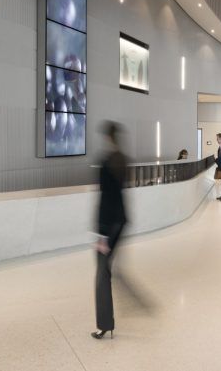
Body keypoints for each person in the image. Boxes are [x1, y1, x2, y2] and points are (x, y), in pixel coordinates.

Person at [93, 121, 128, 340]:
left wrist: (101, 234)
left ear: (107, 137)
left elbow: (106, 199)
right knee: (106, 270)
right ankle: (107, 322)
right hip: (121, 220)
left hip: (109, 224)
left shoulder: (106, 163)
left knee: (102, 275)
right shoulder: (122, 159)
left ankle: (105, 324)